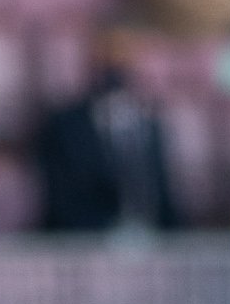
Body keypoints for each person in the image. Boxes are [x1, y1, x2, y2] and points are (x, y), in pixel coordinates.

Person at [33, 25, 182, 235]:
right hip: (86, 242)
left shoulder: (150, 124)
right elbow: (62, 200)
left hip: (150, 243)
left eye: (123, 62)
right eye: (109, 61)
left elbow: (163, 197)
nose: (116, 71)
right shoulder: (65, 125)